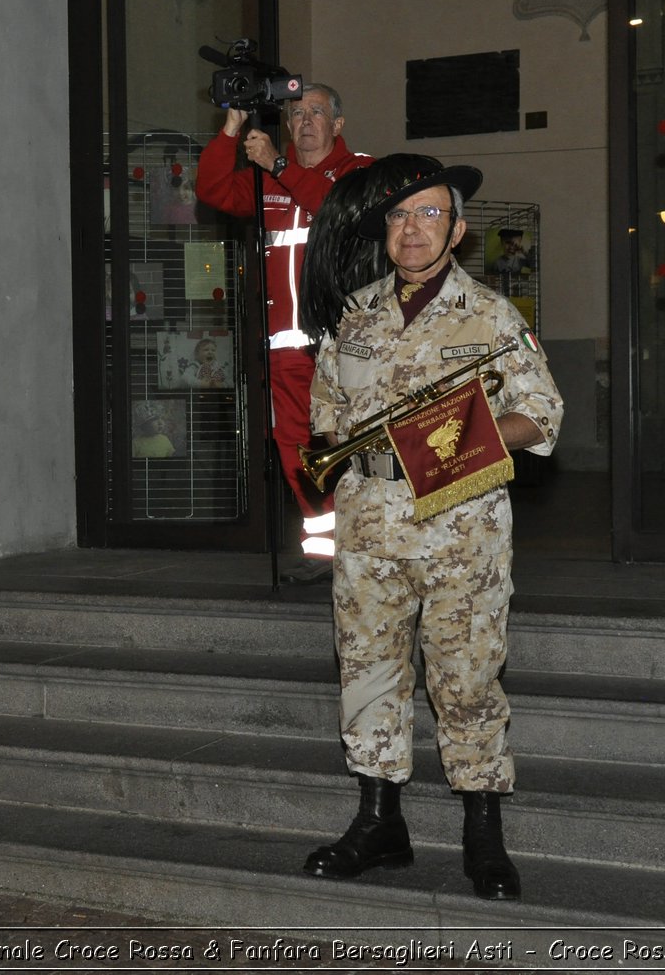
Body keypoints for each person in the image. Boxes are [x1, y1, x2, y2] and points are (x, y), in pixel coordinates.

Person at [304, 155, 563, 900]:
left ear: (456, 229)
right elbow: (326, 416)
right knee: (367, 671)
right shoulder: (353, 318)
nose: (410, 229)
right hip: (368, 526)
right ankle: (379, 822)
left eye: (427, 214)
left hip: (460, 529)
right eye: (397, 216)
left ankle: (482, 834)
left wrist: (460, 439)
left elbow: (543, 413)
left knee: (467, 677)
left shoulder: (491, 316)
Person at [196, 84, 373, 565]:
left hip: (346, 345)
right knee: (294, 447)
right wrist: (231, 127)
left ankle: (368, 545)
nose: (305, 120)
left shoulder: (359, 170)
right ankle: (326, 554)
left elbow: (340, 214)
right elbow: (211, 189)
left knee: (356, 441)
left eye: (316, 112)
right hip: (285, 350)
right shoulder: (265, 180)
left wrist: (279, 165)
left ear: (337, 124)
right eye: (296, 114)